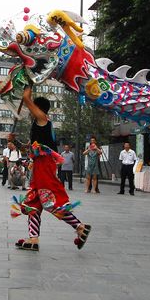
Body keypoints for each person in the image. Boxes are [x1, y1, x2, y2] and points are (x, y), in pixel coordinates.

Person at [13, 87, 90, 252]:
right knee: (34, 202)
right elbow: (29, 147)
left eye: (33, 107)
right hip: (39, 164)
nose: (30, 109)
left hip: (45, 164)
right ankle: (33, 238)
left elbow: (26, 98)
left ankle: (79, 226)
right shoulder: (37, 124)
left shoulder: (43, 118)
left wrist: (28, 82)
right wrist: (16, 142)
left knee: (50, 199)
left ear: (38, 108)